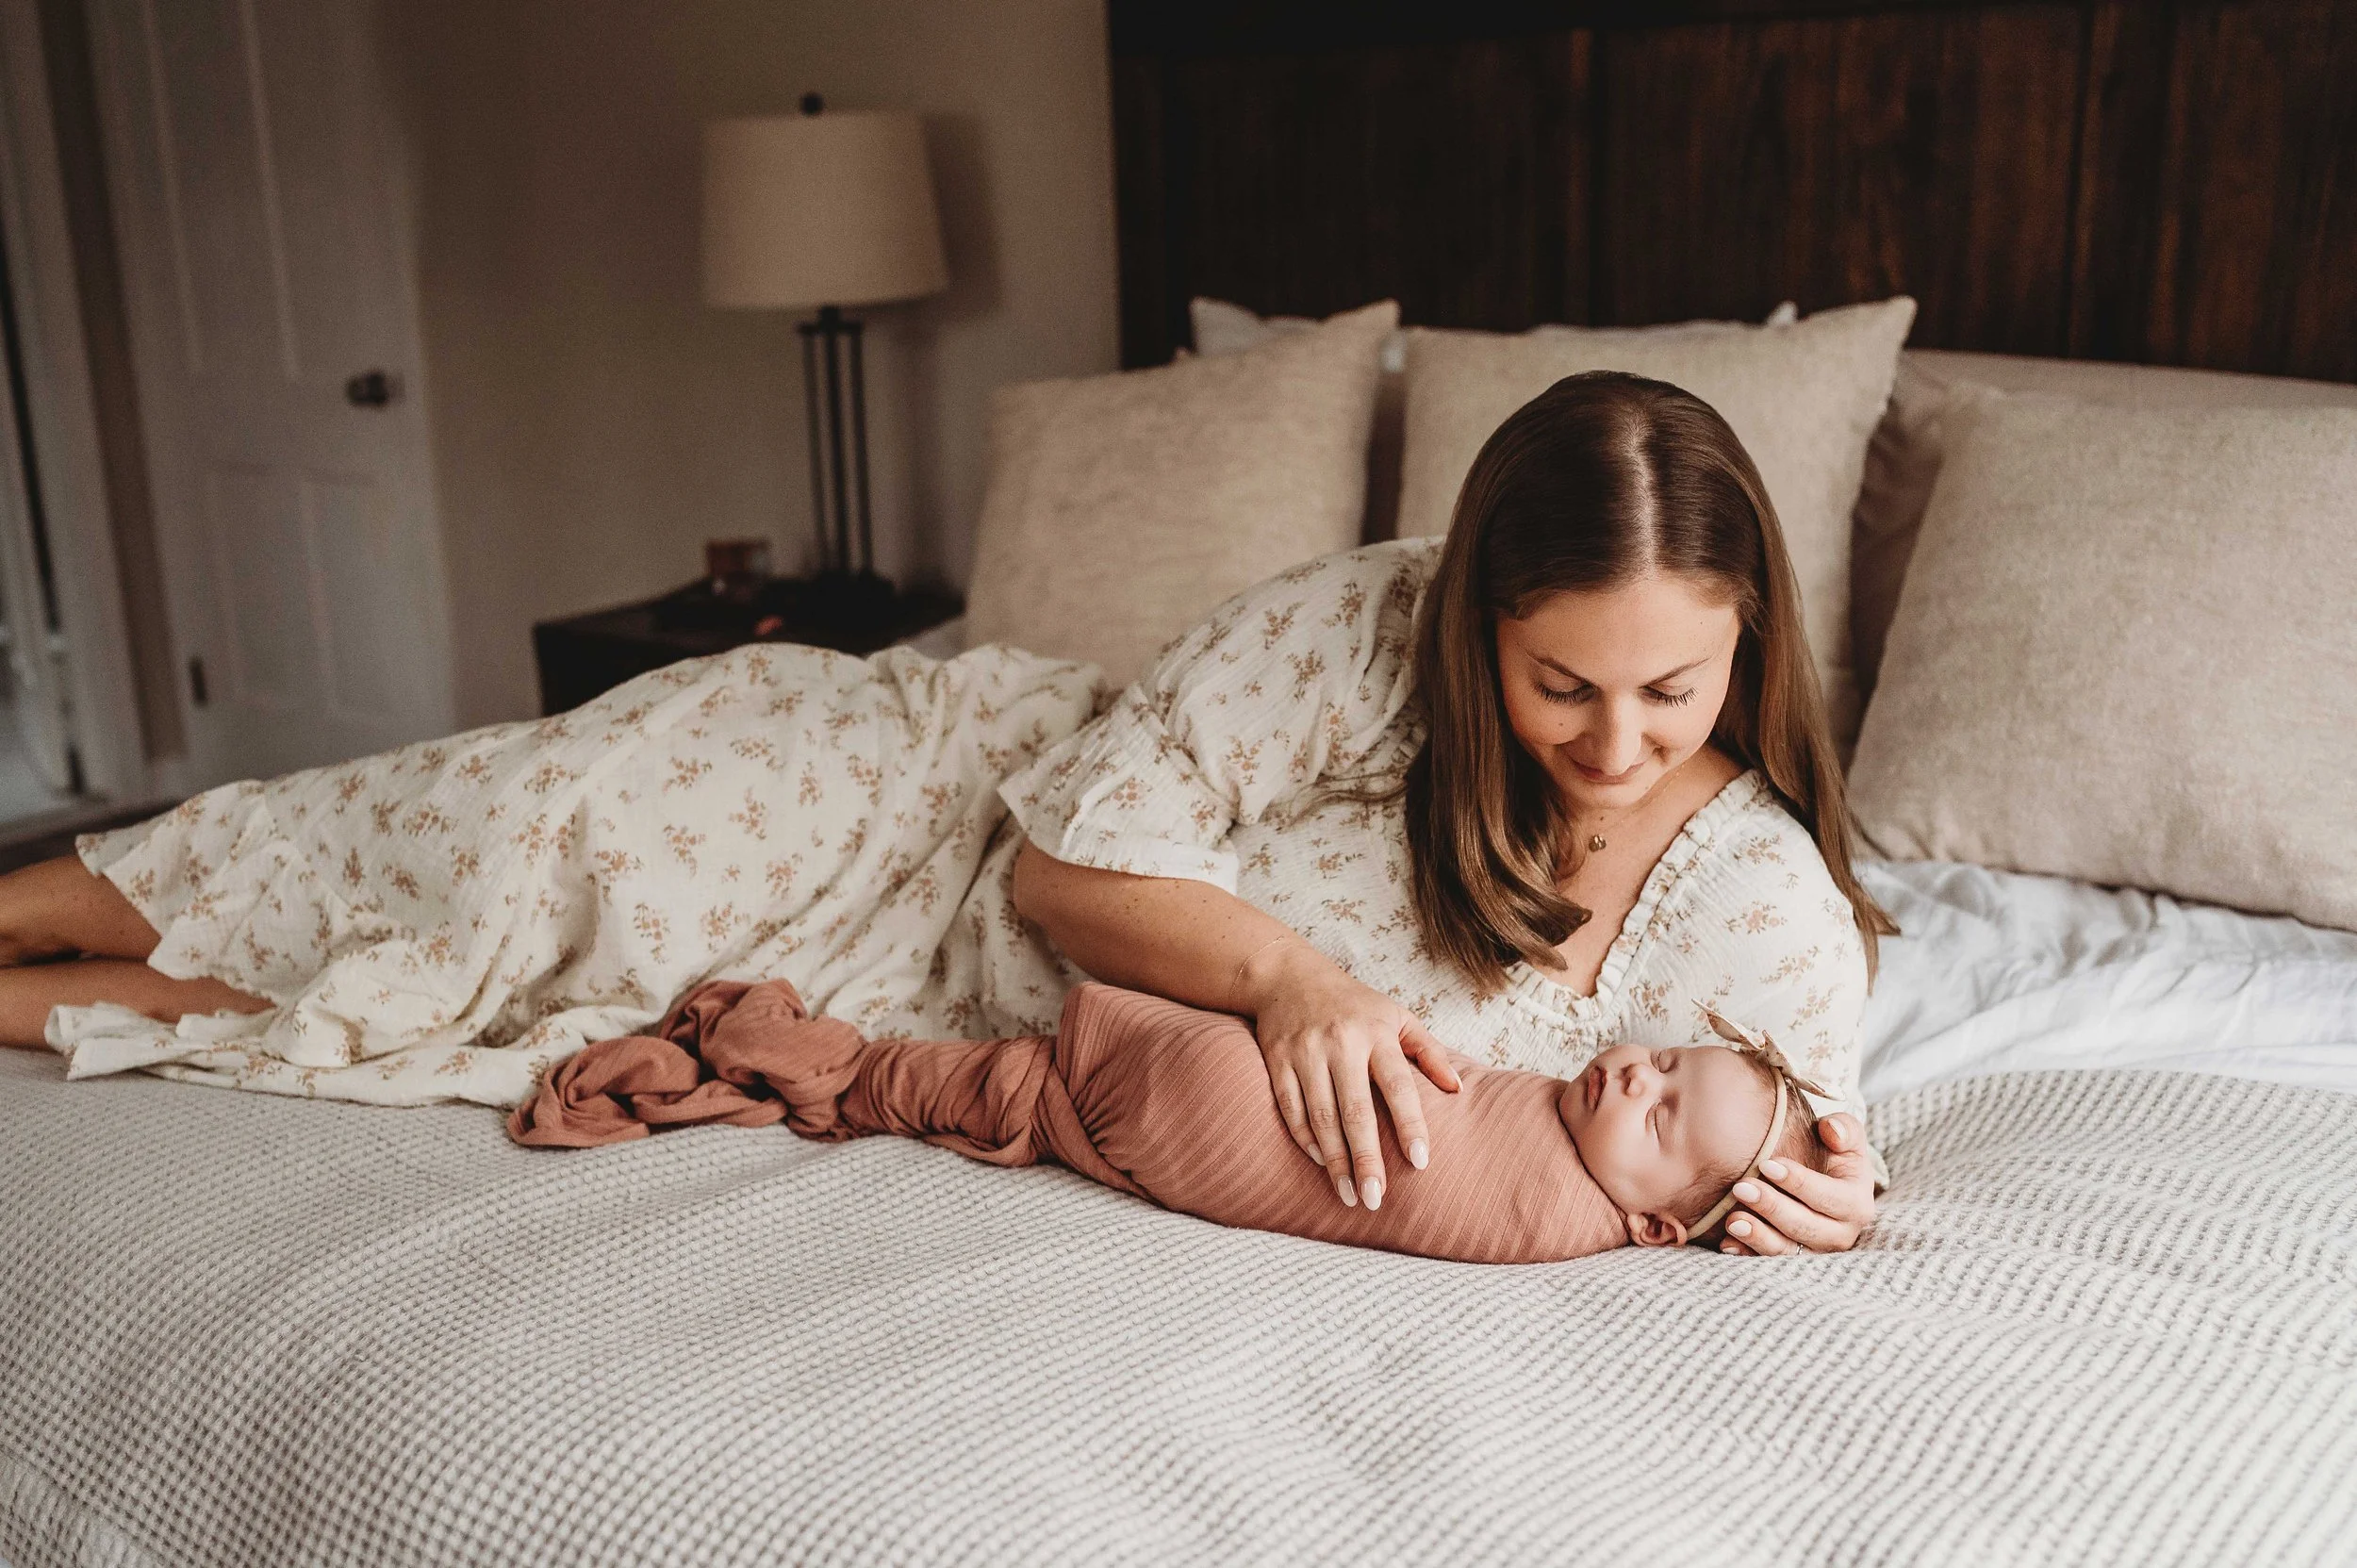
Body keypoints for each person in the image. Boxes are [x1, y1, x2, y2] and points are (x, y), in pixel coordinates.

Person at [0, 371, 1885, 1256]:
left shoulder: (1760, 922)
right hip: (917, 810)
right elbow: (1069, 868)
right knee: (521, 829)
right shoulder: (1379, 618)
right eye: (1560, 686)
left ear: (1747, 648)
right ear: (1479, 617)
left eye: (1672, 690)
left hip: (941, 1022)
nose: (1615, 744)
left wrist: (1827, 1194)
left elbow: (1789, 1148)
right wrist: (1291, 986)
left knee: (483, 1007)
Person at [506, 979, 1834, 1265]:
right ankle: (815, 1069)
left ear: (1661, 1220)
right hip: (1209, 1083)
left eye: (1662, 1112)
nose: (1633, 1077)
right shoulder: (1585, 1173)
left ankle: (790, 1057)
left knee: (961, 1079)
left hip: (1204, 1103)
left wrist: (1831, 1160)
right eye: (1660, 1057)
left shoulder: (1566, 1216)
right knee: (977, 1085)